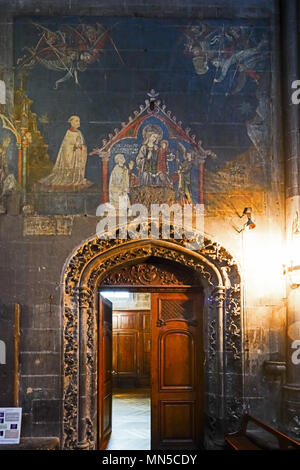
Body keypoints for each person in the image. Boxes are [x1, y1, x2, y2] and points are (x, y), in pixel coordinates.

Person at [37, 115, 93, 191]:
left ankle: (77, 179)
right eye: (76, 121)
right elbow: (66, 147)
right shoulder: (69, 133)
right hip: (70, 156)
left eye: (78, 121)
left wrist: (81, 147)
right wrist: (74, 146)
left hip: (77, 155)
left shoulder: (79, 132)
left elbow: (82, 144)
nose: (78, 123)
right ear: (72, 122)